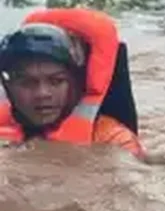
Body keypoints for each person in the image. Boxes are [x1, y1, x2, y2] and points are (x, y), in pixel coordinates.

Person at [0, 8, 145, 159]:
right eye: (27, 82)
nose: (42, 93)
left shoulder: (114, 140)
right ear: (8, 86)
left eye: (56, 81)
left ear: (75, 84)